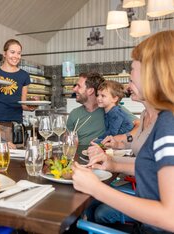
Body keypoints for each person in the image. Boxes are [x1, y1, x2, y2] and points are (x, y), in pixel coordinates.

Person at [72, 30, 174, 233]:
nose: (129, 76)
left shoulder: (168, 124)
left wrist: (96, 189)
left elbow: (170, 217)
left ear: (154, 73)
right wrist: (112, 163)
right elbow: (151, 168)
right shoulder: (165, 117)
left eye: (133, 68)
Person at [66, 72, 138, 146]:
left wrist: (121, 138)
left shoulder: (112, 108)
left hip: (106, 154)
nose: (74, 89)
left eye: (78, 86)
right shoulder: (74, 114)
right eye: (99, 95)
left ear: (90, 91)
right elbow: (67, 140)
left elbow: (139, 125)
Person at [0, 39, 36, 143]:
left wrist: (31, 107)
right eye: (12, 52)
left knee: (14, 154)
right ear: (4, 53)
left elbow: (23, 103)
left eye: (19, 53)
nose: (16, 56)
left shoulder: (24, 75)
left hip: (15, 122)